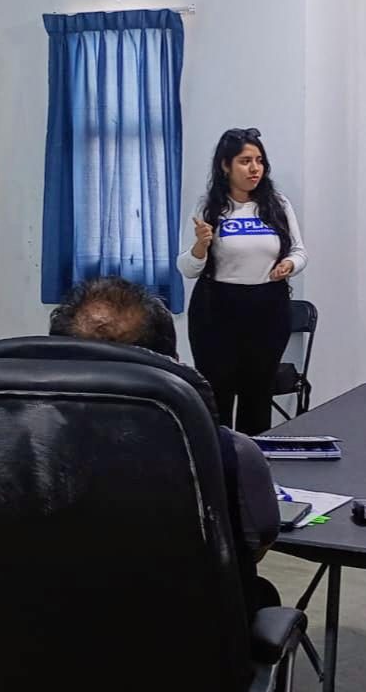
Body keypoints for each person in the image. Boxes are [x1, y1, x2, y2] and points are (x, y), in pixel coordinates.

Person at [49, 275, 282, 610]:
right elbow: (255, 544)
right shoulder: (229, 452)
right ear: (170, 362)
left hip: (30, 647)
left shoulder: (8, 450)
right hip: (184, 648)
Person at [178, 127, 307, 436]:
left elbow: (300, 252)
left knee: (257, 395)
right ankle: (220, 470)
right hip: (216, 311)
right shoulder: (209, 207)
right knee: (218, 395)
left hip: (267, 309)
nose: (254, 169)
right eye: (245, 161)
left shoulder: (276, 204)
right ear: (225, 166)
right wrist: (200, 246)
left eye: (259, 161)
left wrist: (289, 264)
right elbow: (187, 267)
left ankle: (252, 469)